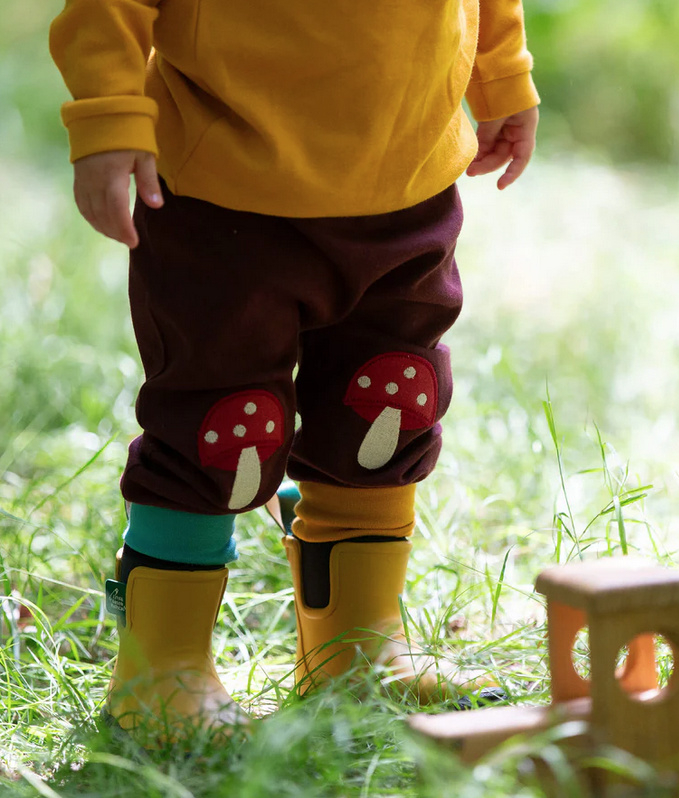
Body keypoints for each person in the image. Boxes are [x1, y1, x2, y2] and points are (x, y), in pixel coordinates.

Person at [49, 0, 540, 744]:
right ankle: (161, 671)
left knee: (384, 405)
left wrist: (501, 75)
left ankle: (357, 644)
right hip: (225, 193)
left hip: (407, 182)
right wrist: (109, 116)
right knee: (220, 425)